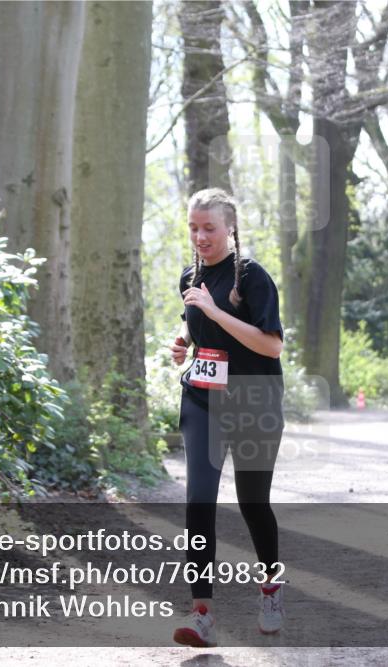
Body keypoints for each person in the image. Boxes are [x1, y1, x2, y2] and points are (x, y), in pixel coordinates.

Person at [168, 188, 286, 648]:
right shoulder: (190, 274)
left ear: (230, 228)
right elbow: (193, 323)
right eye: (194, 227)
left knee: (252, 503)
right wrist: (183, 344)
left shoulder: (253, 277)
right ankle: (202, 615)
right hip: (203, 399)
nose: (200, 236)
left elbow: (271, 345)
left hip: (255, 401)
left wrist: (217, 312)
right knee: (199, 501)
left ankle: (271, 590)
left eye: (209, 228)